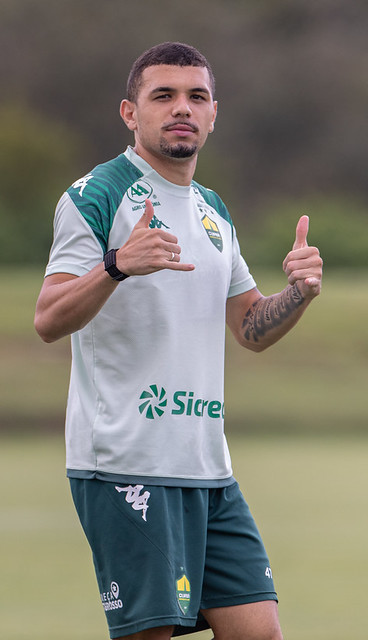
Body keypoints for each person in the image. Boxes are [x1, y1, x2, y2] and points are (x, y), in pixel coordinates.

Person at [34, 42, 322, 640]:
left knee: (259, 631)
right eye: (162, 96)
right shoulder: (96, 195)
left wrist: (298, 294)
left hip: (208, 467)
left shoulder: (213, 211)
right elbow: (48, 318)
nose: (181, 108)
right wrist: (116, 266)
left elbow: (249, 328)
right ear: (129, 113)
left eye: (196, 97)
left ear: (215, 112)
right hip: (125, 465)